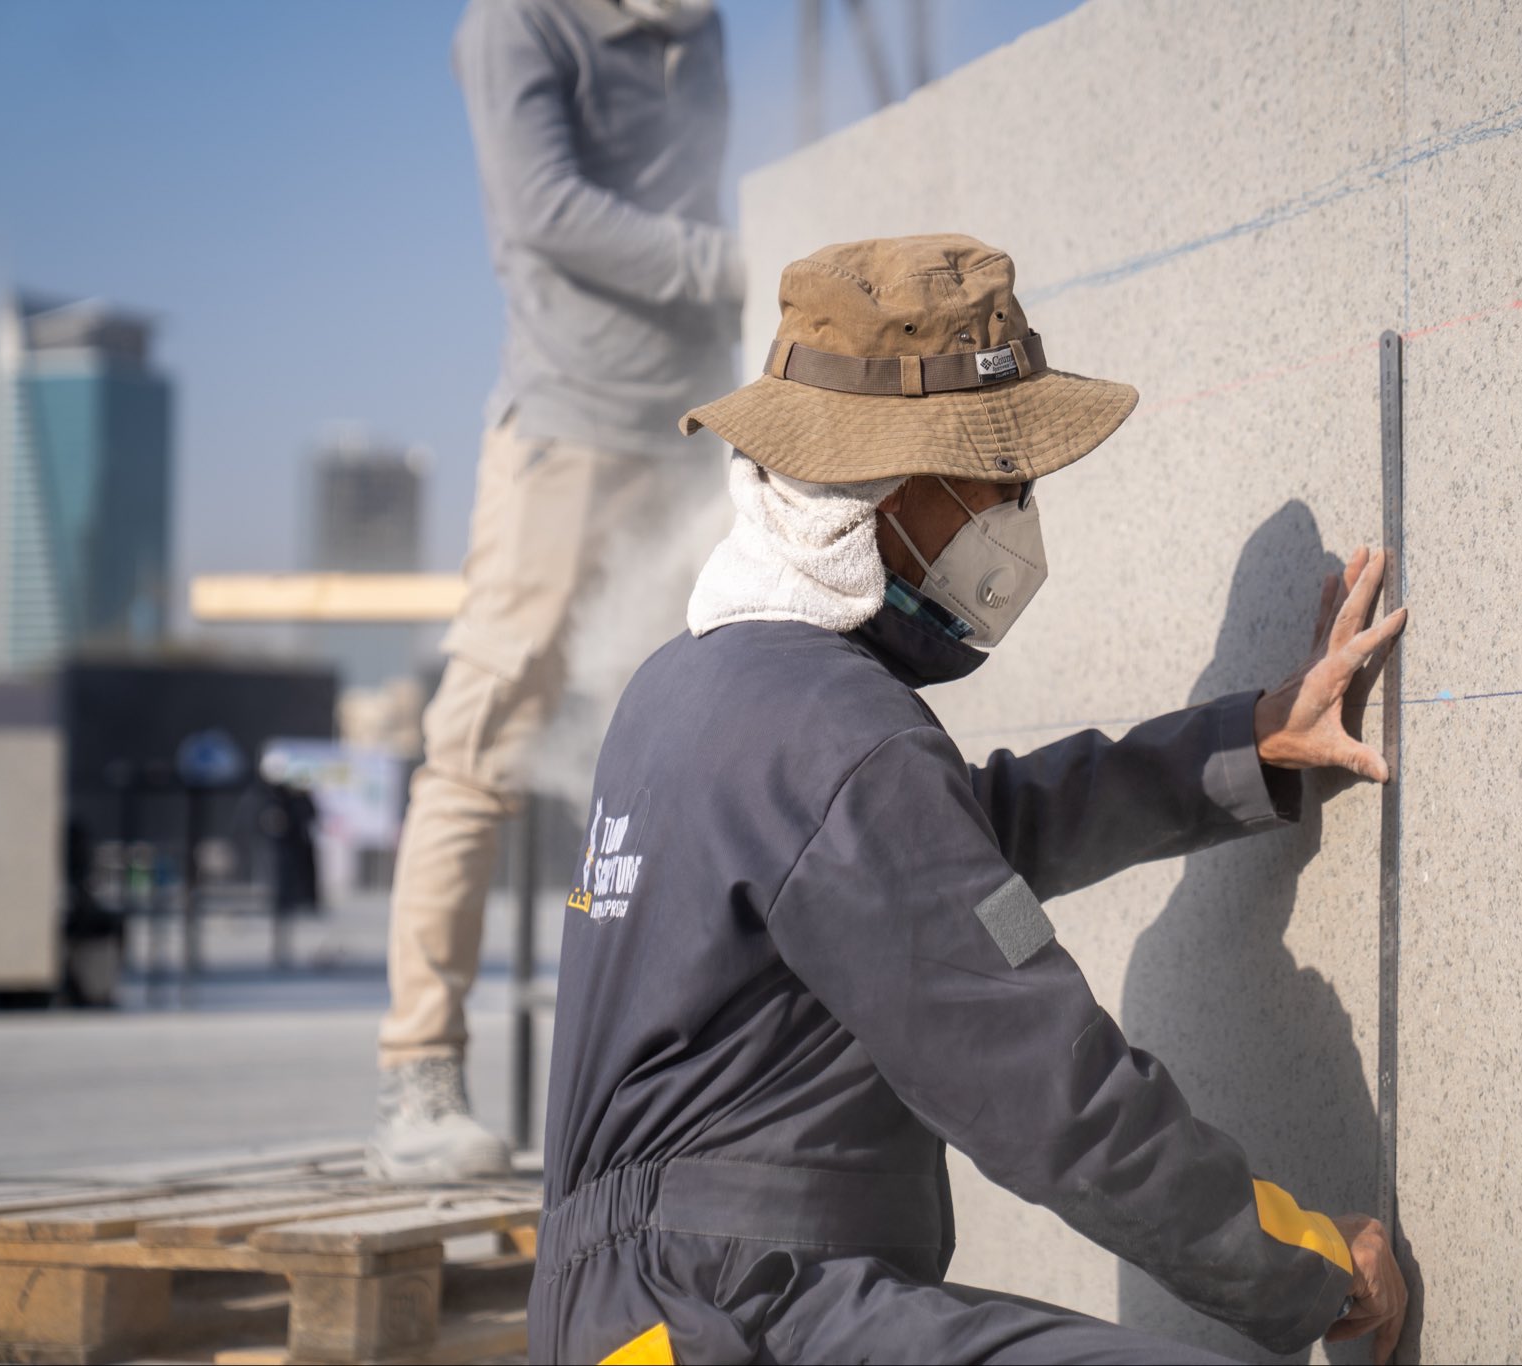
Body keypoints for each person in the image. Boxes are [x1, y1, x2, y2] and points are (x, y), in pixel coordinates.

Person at [528, 235, 1411, 1364]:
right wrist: (1307, 1269)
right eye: (1000, 480)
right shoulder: (834, 734)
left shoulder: (688, 687)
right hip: (735, 1320)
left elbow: (960, 846)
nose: (1018, 514)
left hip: (624, 1318)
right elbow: (1052, 1094)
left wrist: (1244, 741)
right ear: (889, 488)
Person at [370, 0, 743, 1180]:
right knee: (481, 736)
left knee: (697, 750)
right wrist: (739, 264)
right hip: (567, 438)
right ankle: (417, 1078)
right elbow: (543, 211)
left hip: (700, 429)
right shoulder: (519, 23)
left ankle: (670, 1083)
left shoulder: (701, 24)